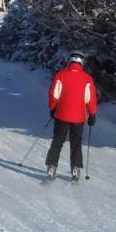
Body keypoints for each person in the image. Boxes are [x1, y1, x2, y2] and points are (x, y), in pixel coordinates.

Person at [44, 52, 98, 181]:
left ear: (69, 62)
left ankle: (51, 166)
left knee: (58, 140)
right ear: (81, 63)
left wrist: (53, 108)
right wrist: (92, 114)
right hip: (79, 117)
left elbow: (54, 94)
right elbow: (90, 99)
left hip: (62, 114)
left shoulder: (61, 75)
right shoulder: (87, 78)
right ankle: (76, 168)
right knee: (76, 143)